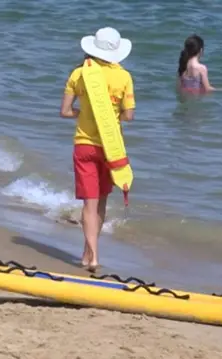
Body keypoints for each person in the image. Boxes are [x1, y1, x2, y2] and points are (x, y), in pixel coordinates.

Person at [60, 27, 135, 272]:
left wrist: (83, 113)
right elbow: (129, 115)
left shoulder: (78, 74)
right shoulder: (124, 77)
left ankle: (89, 255)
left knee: (89, 205)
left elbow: (65, 111)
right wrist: (112, 115)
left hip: (84, 145)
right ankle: (91, 253)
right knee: (101, 202)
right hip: (110, 147)